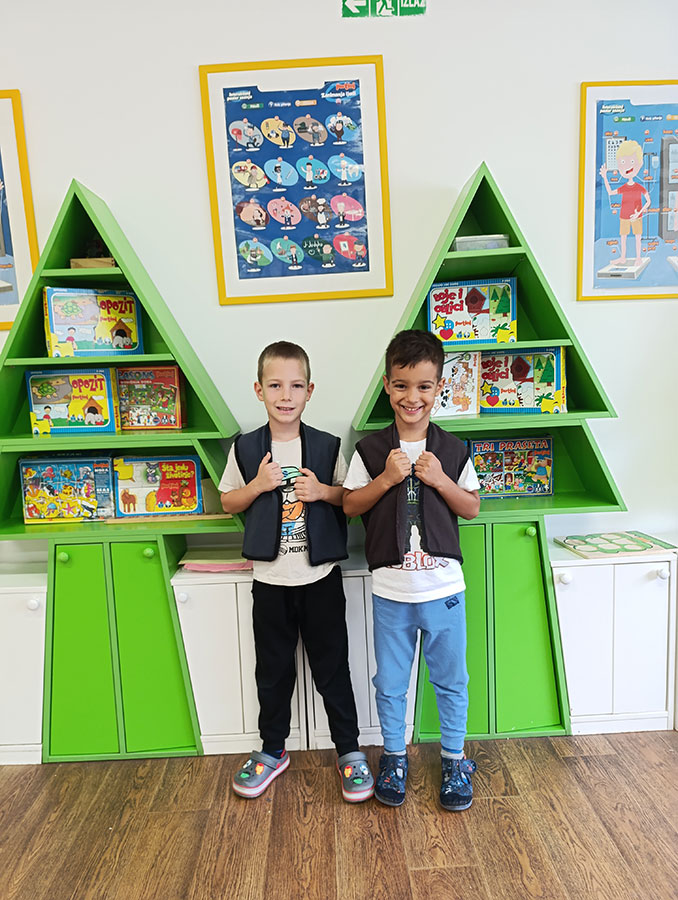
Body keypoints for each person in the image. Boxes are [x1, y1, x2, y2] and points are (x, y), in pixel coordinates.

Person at [220, 341, 374, 803]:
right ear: (259, 390)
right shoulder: (246, 448)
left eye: (295, 386)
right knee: (272, 671)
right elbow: (228, 501)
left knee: (333, 667)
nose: (285, 396)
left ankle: (349, 751)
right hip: (269, 582)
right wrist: (257, 486)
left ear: (310, 391)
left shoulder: (326, 446)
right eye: (275, 386)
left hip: (320, 579)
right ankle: (273, 749)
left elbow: (349, 497)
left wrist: (322, 492)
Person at [343, 329, 480, 811]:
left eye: (423, 386)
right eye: (401, 385)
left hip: (444, 589)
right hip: (392, 592)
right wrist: (386, 478)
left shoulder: (454, 450)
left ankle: (454, 760)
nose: (412, 396)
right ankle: (394, 758)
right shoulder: (370, 450)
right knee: (390, 683)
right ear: (387, 385)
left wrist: (440, 479)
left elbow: (471, 508)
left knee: (451, 680)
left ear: (439, 386)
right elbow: (350, 505)